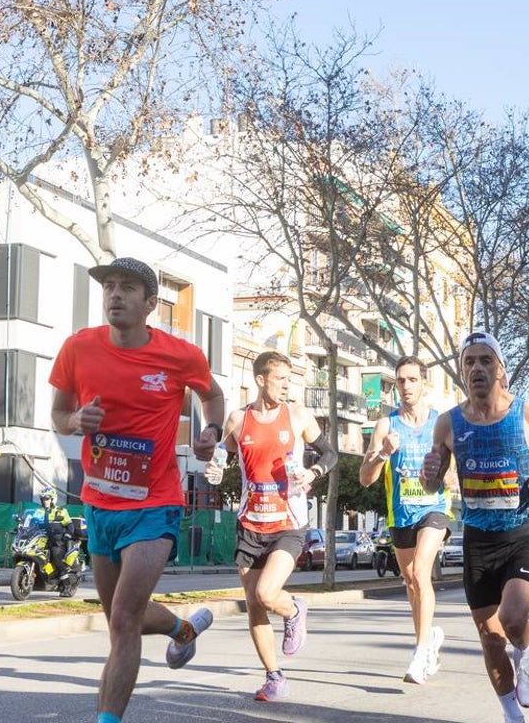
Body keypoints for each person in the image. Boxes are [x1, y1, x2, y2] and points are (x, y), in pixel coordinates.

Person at [49, 257, 226, 723]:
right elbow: (58, 412)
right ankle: (183, 629)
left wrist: (211, 431)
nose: (115, 294)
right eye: (109, 286)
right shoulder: (78, 348)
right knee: (119, 619)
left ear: (150, 304)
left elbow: (212, 394)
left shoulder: (180, 355)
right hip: (99, 503)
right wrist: (74, 421)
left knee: (124, 621)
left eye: (127, 288)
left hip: (155, 503)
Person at [421, 332, 529, 723]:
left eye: (485, 361)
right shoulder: (448, 423)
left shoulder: (526, 413)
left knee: (511, 621)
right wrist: (429, 473)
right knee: (490, 639)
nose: (477, 368)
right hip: (478, 540)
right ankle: (513, 717)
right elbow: (431, 482)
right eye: (469, 362)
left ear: (500, 369)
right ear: (462, 372)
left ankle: (526, 654)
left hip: (520, 534)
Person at [202, 349, 335, 702]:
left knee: (266, 592)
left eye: (289, 381)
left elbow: (330, 454)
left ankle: (294, 609)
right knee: (255, 605)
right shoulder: (237, 420)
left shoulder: (297, 416)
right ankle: (273, 676)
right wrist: (216, 468)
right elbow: (221, 455)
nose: (285, 387)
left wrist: (313, 472)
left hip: (287, 522)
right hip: (250, 523)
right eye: (280, 380)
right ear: (260, 380)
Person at [359, 355, 452, 684]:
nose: (406, 386)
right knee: (411, 581)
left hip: (435, 508)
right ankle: (427, 642)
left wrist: (447, 476)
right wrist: (383, 453)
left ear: (424, 384)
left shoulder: (441, 423)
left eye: (413, 380)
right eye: (401, 380)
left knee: (420, 571)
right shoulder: (387, 424)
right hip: (400, 514)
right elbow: (365, 478)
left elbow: (453, 472)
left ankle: (420, 652)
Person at [32, 487, 73, 588]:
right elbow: (32, 523)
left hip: (57, 541)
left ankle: (67, 586)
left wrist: (67, 534)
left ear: (53, 499)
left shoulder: (60, 511)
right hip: (42, 540)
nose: (45, 501)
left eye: (47, 499)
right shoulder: (39, 511)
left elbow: (70, 526)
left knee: (57, 559)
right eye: (43, 499)